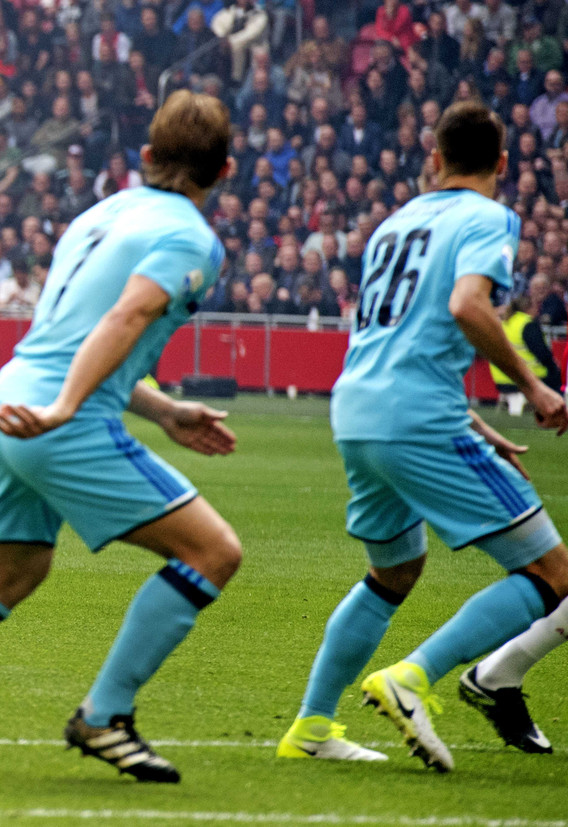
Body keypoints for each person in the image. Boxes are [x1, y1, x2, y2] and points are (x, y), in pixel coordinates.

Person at [0, 91, 240, 782]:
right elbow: (124, 319)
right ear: (226, 171)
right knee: (213, 551)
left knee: (14, 571)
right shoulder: (192, 238)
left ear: (146, 156)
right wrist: (66, 407)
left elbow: (69, 334)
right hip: (60, 419)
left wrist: (161, 411)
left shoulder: (99, 215)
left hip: (6, 402)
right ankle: (105, 715)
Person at [276, 100, 568, 772]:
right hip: (417, 416)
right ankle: (413, 676)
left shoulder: (395, 223)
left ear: (434, 159)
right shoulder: (489, 217)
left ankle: (312, 725)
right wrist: (534, 387)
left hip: (358, 409)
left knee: (393, 571)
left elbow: (396, 338)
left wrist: (476, 424)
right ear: (502, 163)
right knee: (552, 573)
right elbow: (467, 305)